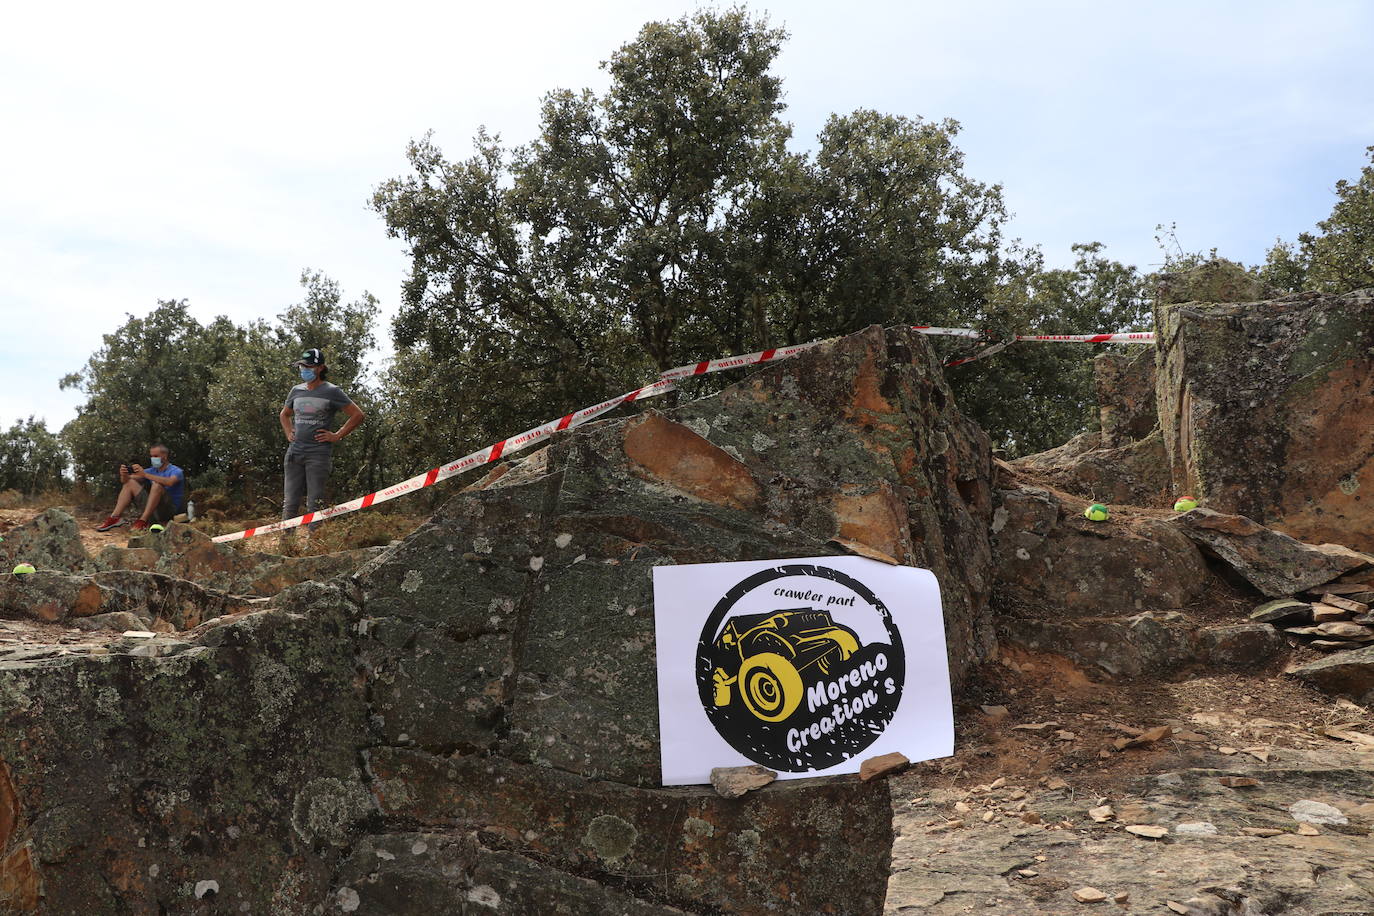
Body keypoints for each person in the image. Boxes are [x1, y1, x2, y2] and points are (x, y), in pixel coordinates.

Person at [280, 348, 365, 532]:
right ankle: (286, 545)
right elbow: (284, 415)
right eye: (301, 366)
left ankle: (313, 547)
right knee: (290, 503)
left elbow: (358, 415)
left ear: (320, 368)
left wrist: (337, 435)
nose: (304, 370)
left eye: (308, 366)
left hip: (318, 454)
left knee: (315, 504)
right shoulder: (296, 391)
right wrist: (289, 432)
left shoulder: (332, 391)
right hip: (295, 453)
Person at [95, 444, 186, 531]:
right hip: (153, 511)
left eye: (156, 456)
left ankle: (143, 520)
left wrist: (145, 474)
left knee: (156, 485)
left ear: (165, 456)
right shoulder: (151, 470)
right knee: (130, 483)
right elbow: (126, 481)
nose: (153, 459)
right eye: (151, 456)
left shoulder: (176, 471)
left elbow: (169, 482)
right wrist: (124, 475)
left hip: (169, 512)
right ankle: (114, 518)